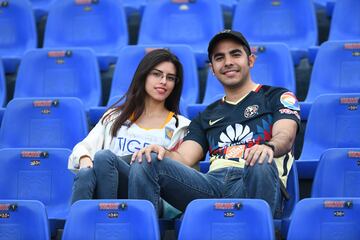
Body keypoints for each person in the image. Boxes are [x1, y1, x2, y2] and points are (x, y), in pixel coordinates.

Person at [130, 30, 300, 217]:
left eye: (235, 54)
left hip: (255, 179)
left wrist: (268, 147)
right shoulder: (206, 115)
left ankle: (262, 230)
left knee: (260, 161)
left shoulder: (276, 96)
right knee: (147, 160)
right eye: (219, 58)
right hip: (211, 185)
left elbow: (286, 136)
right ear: (212, 69)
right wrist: (161, 152)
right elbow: (184, 158)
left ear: (250, 60)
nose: (228, 62)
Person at [68, 49, 190, 204]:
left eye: (170, 78)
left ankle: (106, 219)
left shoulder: (181, 126)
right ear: (143, 75)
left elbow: (182, 176)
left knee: (104, 157)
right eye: (156, 74)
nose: (163, 81)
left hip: (150, 195)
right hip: (108, 183)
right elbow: (83, 147)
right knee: (87, 173)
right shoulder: (115, 117)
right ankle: (81, 223)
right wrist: (85, 160)